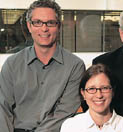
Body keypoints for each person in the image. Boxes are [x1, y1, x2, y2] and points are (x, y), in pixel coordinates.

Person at [0, 0, 85, 131]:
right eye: (38, 22)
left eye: (50, 23)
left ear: (58, 26)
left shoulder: (75, 66)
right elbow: (3, 109)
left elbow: (64, 112)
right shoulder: (12, 64)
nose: (44, 28)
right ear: (29, 26)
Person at [60, 64, 123, 132]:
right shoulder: (70, 126)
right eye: (91, 89)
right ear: (83, 93)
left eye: (104, 88)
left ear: (113, 91)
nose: (99, 95)